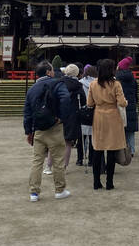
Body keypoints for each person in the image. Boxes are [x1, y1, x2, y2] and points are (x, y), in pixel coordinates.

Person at [23, 60, 71, 202]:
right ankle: (59, 190)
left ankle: (34, 192)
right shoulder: (57, 84)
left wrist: (28, 131)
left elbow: (27, 112)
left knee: (37, 161)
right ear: (49, 72)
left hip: (38, 129)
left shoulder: (32, 89)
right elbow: (66, 99)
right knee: (58, 160)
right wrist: (61, 117)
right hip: (54, 127)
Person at [87, 58, 128, 190]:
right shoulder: (116, 84)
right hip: (113, 117)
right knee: (111, 150)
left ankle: (96, 182)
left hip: (99, 116)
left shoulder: (93, 84)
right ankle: (109, 182)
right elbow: (121, 102)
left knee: (97, 150)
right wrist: (126, 102)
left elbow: (89, 103)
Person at [62, 64, 86, 167]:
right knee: (68, 142)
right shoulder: (78, 85)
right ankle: (64, 165)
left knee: (56, 142)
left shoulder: (59, 83)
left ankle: (49, 165)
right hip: (72, 115)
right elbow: (84, 101)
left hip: (60, 113)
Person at [115, 56, 139, 156]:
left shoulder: (117, 80)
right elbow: (136, 93)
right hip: (131, 105)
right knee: (131, 130)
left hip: (120, 106)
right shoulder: (133, 79)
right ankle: (132, 150)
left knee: (121, 130)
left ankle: (122, 149)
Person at [80, 65, 97, 167]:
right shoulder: (97, 83)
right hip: (94, 110)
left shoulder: (80, 83)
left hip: (83, 109)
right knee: (92, 137)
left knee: (82, 136)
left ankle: (80, 158)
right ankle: (91, 159)